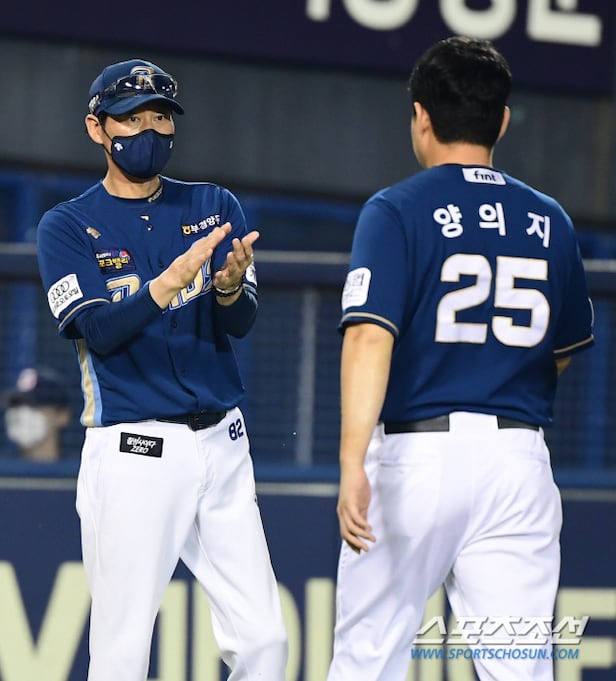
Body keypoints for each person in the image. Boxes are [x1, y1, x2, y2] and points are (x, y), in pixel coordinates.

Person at [326, 36, 595, 681]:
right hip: (516, 462)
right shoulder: (550, 220)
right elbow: (559, 353)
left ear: (421, 117)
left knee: (368, 662)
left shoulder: (396, 209)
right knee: (521, 669)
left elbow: (368, 338)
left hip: (416, 457)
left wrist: (351, 460)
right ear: (501, 121)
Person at [36, 58, 287, 681]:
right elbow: (96, 330)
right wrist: (168, 283)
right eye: (131, 117)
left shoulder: (214, 204)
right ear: (97, 128)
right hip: (134, 449)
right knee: (122, 654)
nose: (148, 129)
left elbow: (241, 322)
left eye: (159, 116)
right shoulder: (66, 225)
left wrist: (228, 288)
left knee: (265, 642)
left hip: (223, 443)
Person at [2, 366, 72, 462]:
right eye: (17, 406)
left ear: (62, 416)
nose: (21, 413)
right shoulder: (4, 466)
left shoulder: (83, 468)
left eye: (33, 406)